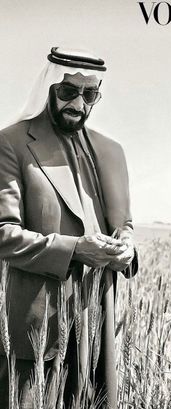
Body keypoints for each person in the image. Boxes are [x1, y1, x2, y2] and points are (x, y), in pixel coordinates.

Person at [0, 47, 138, 409]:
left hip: (95, 321)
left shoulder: (110, 151)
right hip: (36, 323)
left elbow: (123, 225)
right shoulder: (11, 143)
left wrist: (126, 248)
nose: (79, 103)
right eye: (68, 92)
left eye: (89, 94)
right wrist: (75, 249)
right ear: (49, 87)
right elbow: (3, 233)